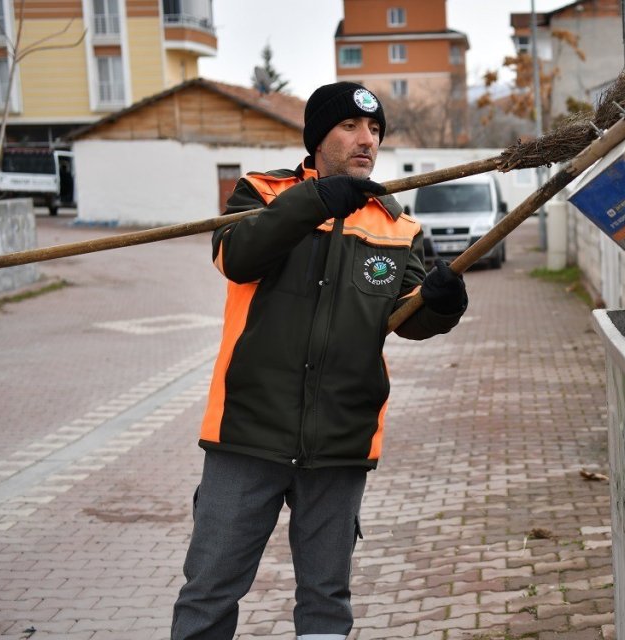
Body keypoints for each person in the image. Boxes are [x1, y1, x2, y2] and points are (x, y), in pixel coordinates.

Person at [171, 82, 468, 639]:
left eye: (375, 131)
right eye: (351, 128)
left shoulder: (396, 225)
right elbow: (238, 257)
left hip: (340, 438)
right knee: (209, 588)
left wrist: (441, 306)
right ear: (317, 137)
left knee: (326, 599)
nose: (367, 141)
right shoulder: (259, 193)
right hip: (248, 433)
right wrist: (314, 201)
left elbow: (406, 317)